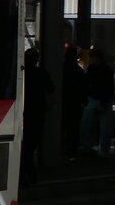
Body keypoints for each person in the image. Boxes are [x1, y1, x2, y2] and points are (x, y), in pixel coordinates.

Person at [21, 47, 53, 184]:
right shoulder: (40, 73)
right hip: (37, 112)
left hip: (22, 112)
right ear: (36, 59)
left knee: (24, 145)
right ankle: (29, 174)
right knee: (31, 144)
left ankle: (25, 174)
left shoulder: (21, 73)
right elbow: (51, 88)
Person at [80, 47, 115, 157]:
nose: (91, 59)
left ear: (97, 58)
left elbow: (107, 88)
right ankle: (103, 149)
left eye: (92, 57)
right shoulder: (105, 69)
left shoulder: (95, 69)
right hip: (99, 99)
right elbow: (109, 88)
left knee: (88, 123)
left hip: (97, 99)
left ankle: (89, 145)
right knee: (102, 126)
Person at [60, 45, 86, 161]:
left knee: (61, 127)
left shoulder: (61, 68)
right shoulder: (78, 70)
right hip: (75, 104)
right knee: (73, 129)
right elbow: (84, 88)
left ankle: (60, 149)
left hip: (63, 103)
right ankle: (72, 153)